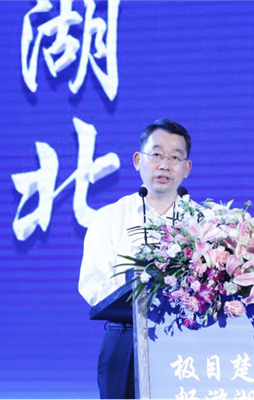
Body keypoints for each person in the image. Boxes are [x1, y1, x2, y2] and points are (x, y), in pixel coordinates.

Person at [78, 119, 192, 399]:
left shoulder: (204, 221)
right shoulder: (109, 217)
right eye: (156, 154)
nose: (164, 165)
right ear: (138, 160)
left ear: (186, 168)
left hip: (191, 337)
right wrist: (137, 298)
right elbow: (91, 281)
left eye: (175, 157)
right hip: (126, 337)